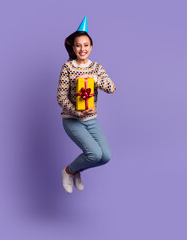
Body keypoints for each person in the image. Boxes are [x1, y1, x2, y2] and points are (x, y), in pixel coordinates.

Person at [57, 16, 116, 194]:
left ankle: (76, 170)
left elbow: (112, 88)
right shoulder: (68, 67)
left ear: (91, 47)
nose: (82, 49)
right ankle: (68, 171)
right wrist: (76, 112)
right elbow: (60, 97)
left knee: (105, 156)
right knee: (94, 154)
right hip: (72, 120)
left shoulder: (96, 68)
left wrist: (95, 79)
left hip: (91, 120)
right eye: (78, 45)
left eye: (86, 45)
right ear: (73, 48)